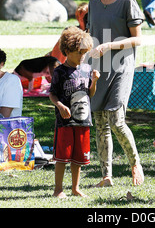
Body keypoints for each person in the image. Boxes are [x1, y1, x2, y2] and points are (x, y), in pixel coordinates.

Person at [86, 0, 145, 187]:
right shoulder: (93, 2)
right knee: (100, 121)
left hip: (121, 66)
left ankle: (135, 163)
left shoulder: (127, 1)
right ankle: (106, 176)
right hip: (98, 68)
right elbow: (92, 35)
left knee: (116, 120)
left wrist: (109, 46)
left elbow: (138, 40)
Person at [49, 26, 100, 198]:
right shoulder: (59, 71)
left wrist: (94, 82)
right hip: (65, 121)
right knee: (63, 157)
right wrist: (60, 106)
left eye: (85, 53)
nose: (82, 56)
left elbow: (89, 94)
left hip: (83, 120)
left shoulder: (86, 69)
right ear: (67, 51)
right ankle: (58, 189)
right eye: (79, 53)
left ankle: (75, 188)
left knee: (78, 157)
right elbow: (52, 94)